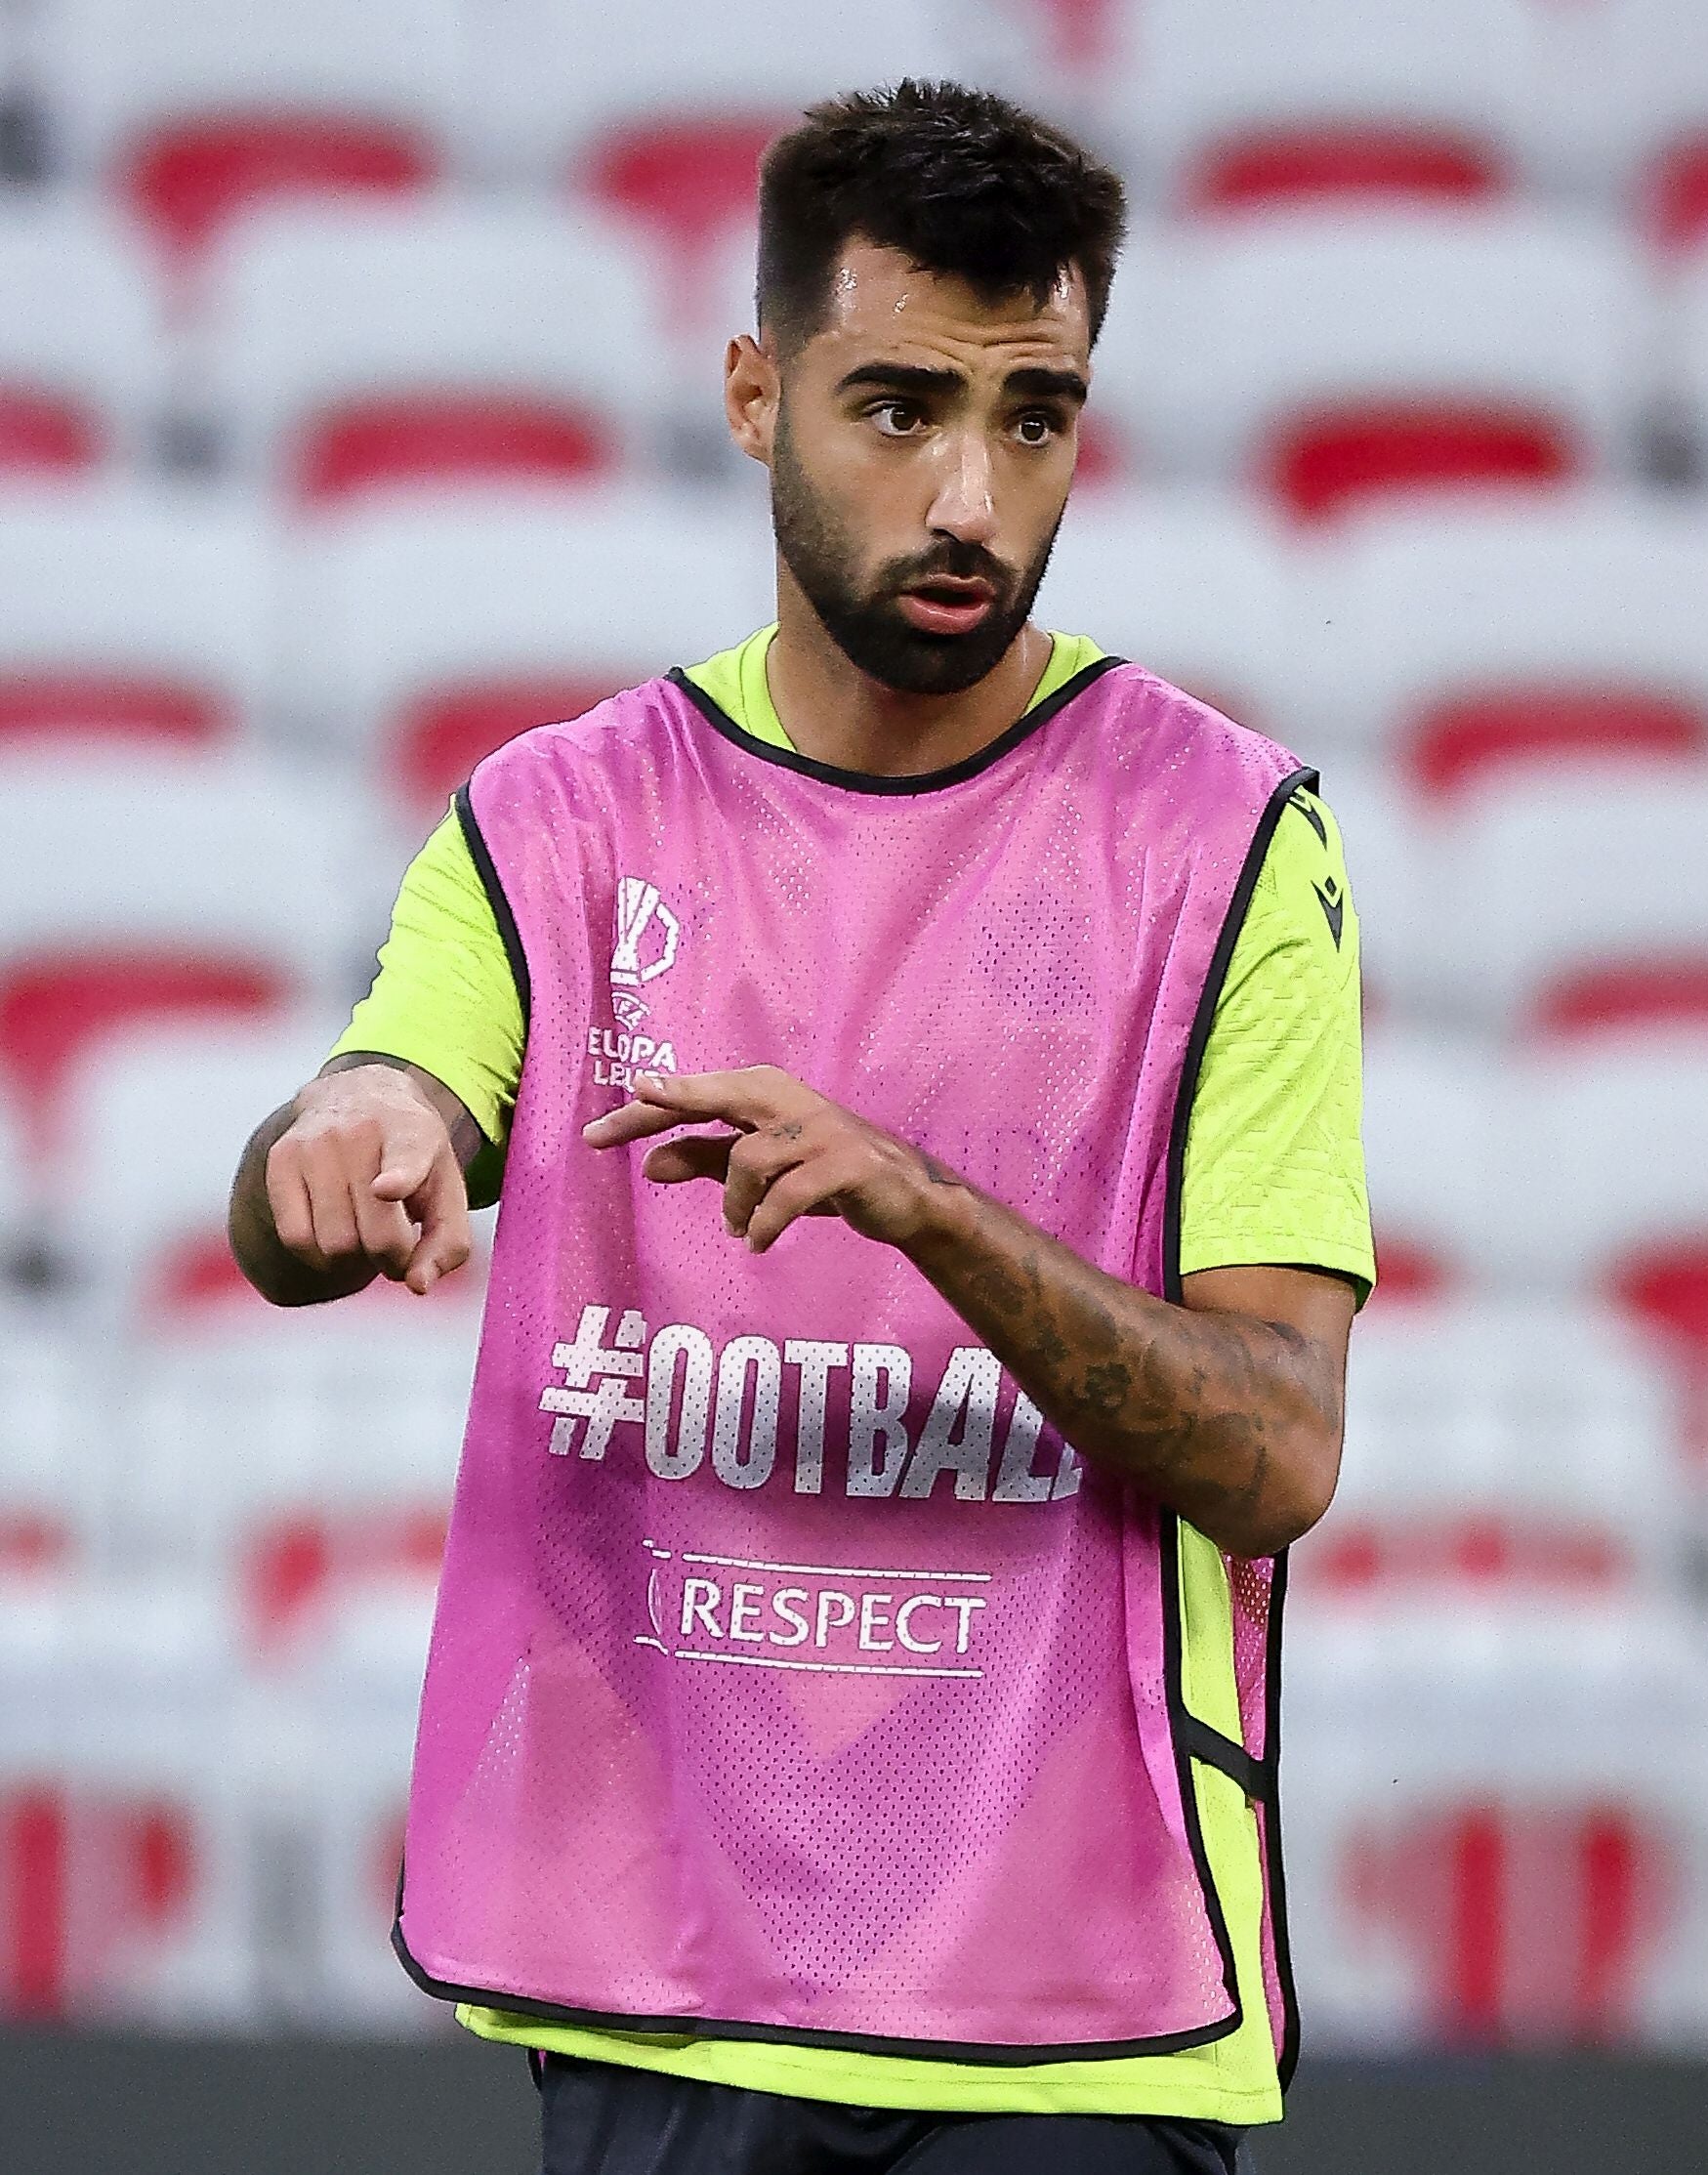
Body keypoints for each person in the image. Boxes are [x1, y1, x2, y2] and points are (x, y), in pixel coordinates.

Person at [229, 79, 1372, 2175]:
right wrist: (339, 1145)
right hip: (672, 1979)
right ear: (757, 394)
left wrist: (931, 1212)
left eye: (1035, 419)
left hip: (1080, 2017)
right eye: (900, 405)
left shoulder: (1227, 847)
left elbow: (1280, 1449)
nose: (970, 494)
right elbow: (384, 1105)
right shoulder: (559, 823)